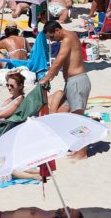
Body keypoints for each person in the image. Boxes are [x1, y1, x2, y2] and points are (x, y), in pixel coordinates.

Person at [41, 20, 90, 159]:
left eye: (51, 37)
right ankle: (77, 147)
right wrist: (53, 75)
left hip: (77, 82)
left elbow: (58, 61)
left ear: (58, 30)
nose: (51, 40)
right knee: (65, 115)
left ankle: (82, 153)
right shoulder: (71, 36)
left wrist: (46, 78)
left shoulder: (67, 38)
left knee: (79, 119)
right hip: (71, 83)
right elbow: (64, 62)